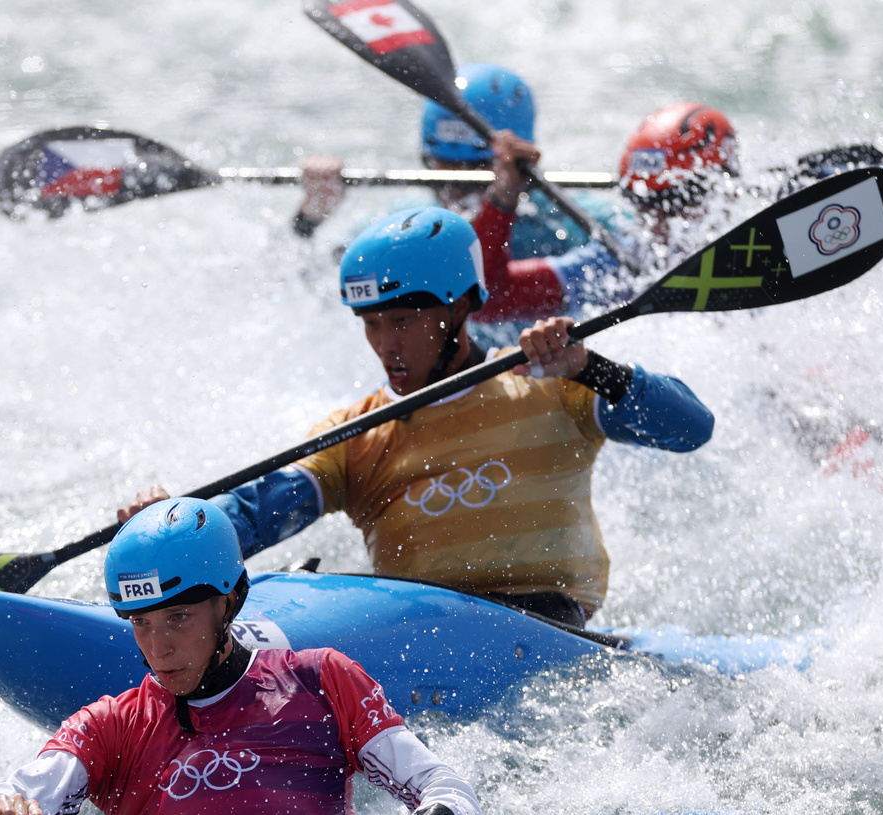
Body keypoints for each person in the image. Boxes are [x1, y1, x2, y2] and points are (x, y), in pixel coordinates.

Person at [119, 206, 713, 630]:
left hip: (548, 625)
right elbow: (258, 511)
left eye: (402, 320)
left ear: (460, 306)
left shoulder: (550, 384)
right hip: (412, 634)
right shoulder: (356, 433)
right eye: (372, 324)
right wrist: (179, 529)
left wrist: (590, 366)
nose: (385, 345)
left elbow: (692, 429)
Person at [0, 496, 484, 815]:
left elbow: (446, 788)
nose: (157, 648)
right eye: (140, 623)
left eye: (179, 618)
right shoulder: (111, 724)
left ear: (231, 600)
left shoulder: (320, 679)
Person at [292, 62, 627, 263]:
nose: (457, 187)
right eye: (445, 166)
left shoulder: (568, 221)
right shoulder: (400, 223)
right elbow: (308, 287)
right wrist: (312, 216)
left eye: (476, 170)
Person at [472, 103, 742, 328]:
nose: (658, 221)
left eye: (674, 202)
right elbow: (485, 302)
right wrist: (503, 197)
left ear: (725, 195)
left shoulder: (763, 252)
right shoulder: (615, 265)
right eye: (644, 202)